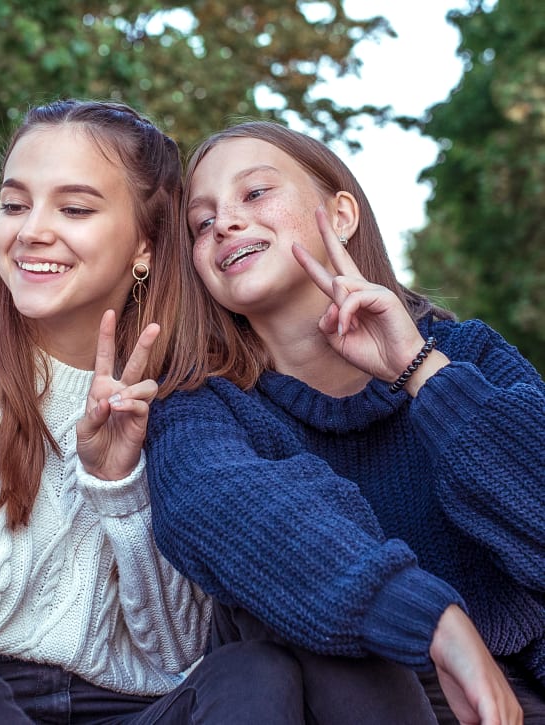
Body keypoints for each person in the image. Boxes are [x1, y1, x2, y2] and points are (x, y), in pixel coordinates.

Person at [0, 101, 306, 725]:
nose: (30, 231)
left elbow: (177, 649)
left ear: (146, 247)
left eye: (74, 209)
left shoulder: (191, 392)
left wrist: (117, 487)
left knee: (255, 671)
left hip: (135, 709)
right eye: (15, 205)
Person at [145, 120, 545, 724]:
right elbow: (227, 511)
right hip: (355, 697)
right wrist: (430, 617)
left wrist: (420, 372)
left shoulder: (467, 357)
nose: (224, 222)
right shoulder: (201, 405)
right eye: (201, 223)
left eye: (254, 194)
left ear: (341, 215)